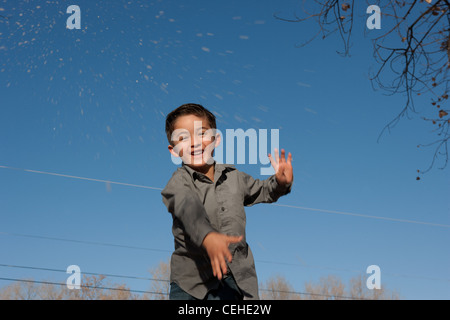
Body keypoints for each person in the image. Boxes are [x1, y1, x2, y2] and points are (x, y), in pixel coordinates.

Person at [161, 103, 293, 300]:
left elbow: (264, 191)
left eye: (202, 133)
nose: (194, 142)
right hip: (191, 285)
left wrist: (280, 183)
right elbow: (188, 209)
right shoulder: (177, 183)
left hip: (237, 281)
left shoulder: (235, 178)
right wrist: (208, 237)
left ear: (216, 139)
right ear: (173, 150)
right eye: (183, 138)